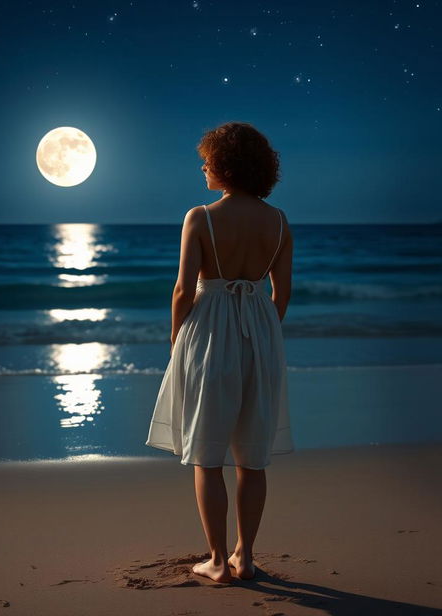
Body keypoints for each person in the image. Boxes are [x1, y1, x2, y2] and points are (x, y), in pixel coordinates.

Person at [145, 122, 294, 583]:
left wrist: (176, 340)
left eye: (209, 158)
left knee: (207, 456)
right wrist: (262, 334)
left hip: (209, 335)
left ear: (227, 165)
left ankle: (216, 560)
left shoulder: (201, 216)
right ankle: (245, 557)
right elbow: (281, 294)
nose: (203, 165)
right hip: (261, 334)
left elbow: (182, 290)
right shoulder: (280, 221)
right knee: (252, 457)